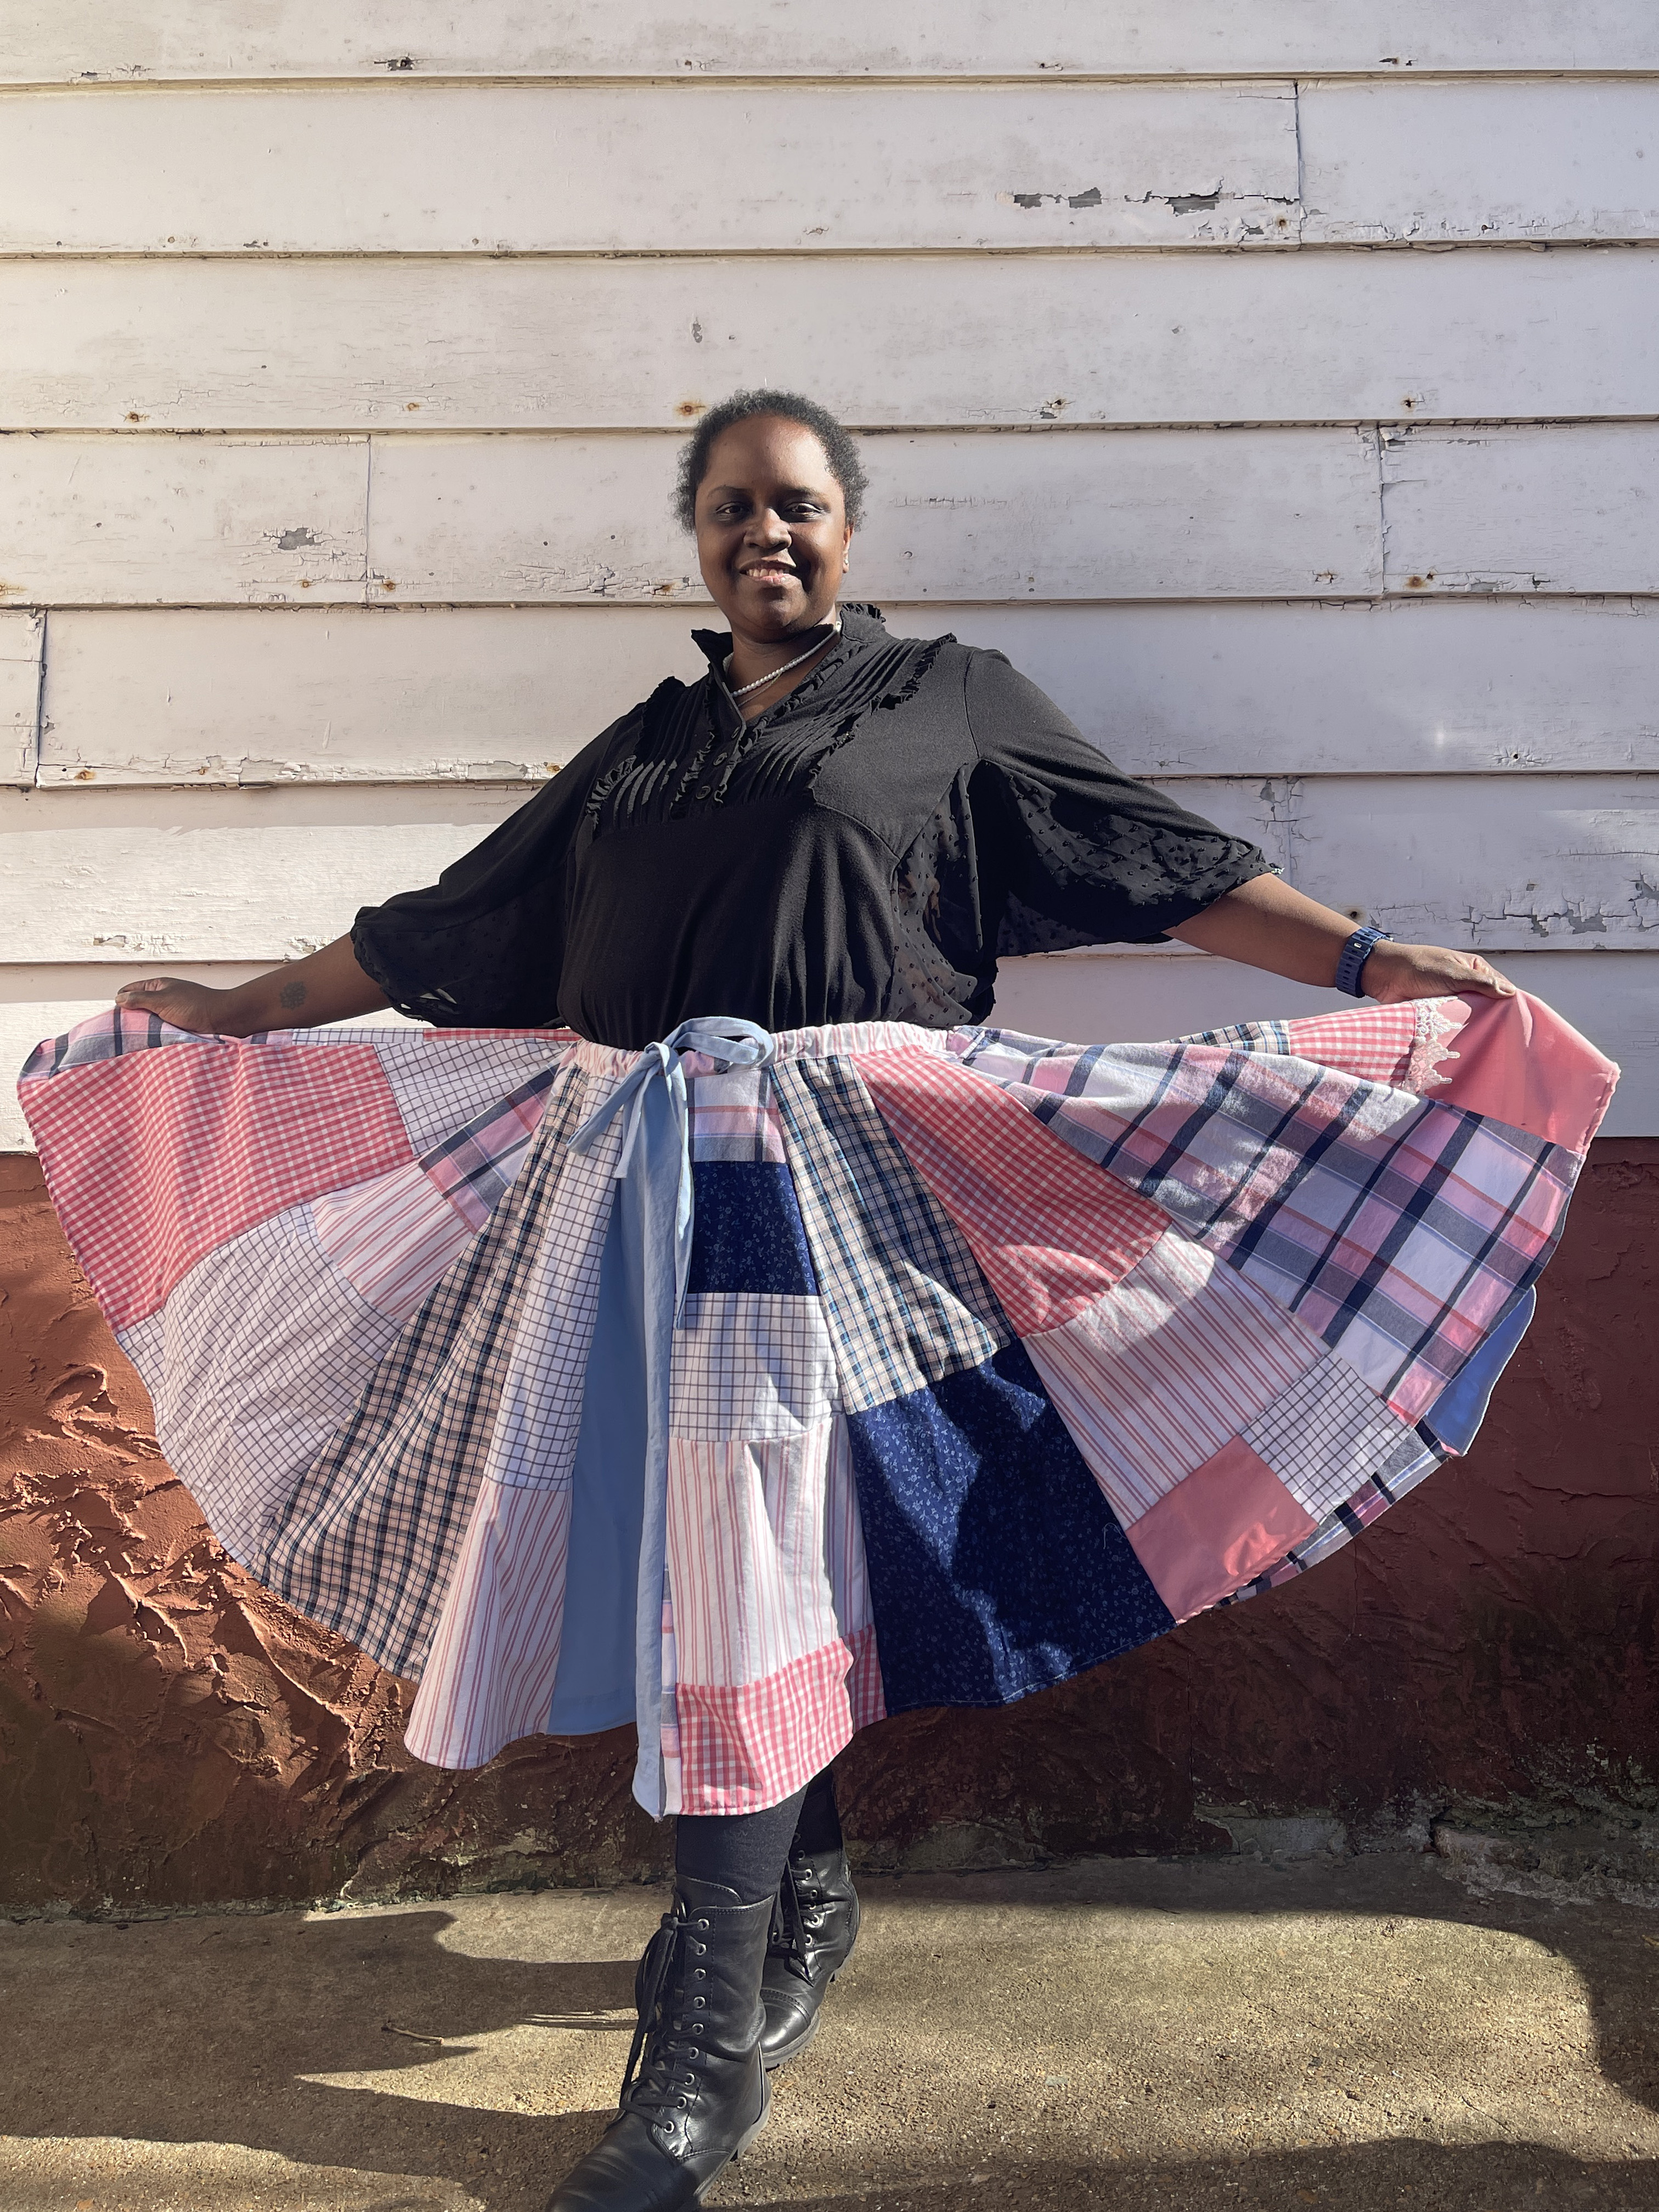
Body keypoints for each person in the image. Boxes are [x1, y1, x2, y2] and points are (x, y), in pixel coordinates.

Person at [24, 391, 1611, 2212]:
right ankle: (810, 1891)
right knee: (716, 1556)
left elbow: (1158, 859)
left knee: (751, 1544)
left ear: (848, 527)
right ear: (696, 538)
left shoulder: (948, 700)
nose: (762, 534)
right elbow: (456, 920)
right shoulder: (648, 746)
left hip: (833, 1185)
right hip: (619, 1188)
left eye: (794, 505)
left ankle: (696, 2055)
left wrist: (1362, 958)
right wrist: (243, 1012)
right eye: (728, 509)